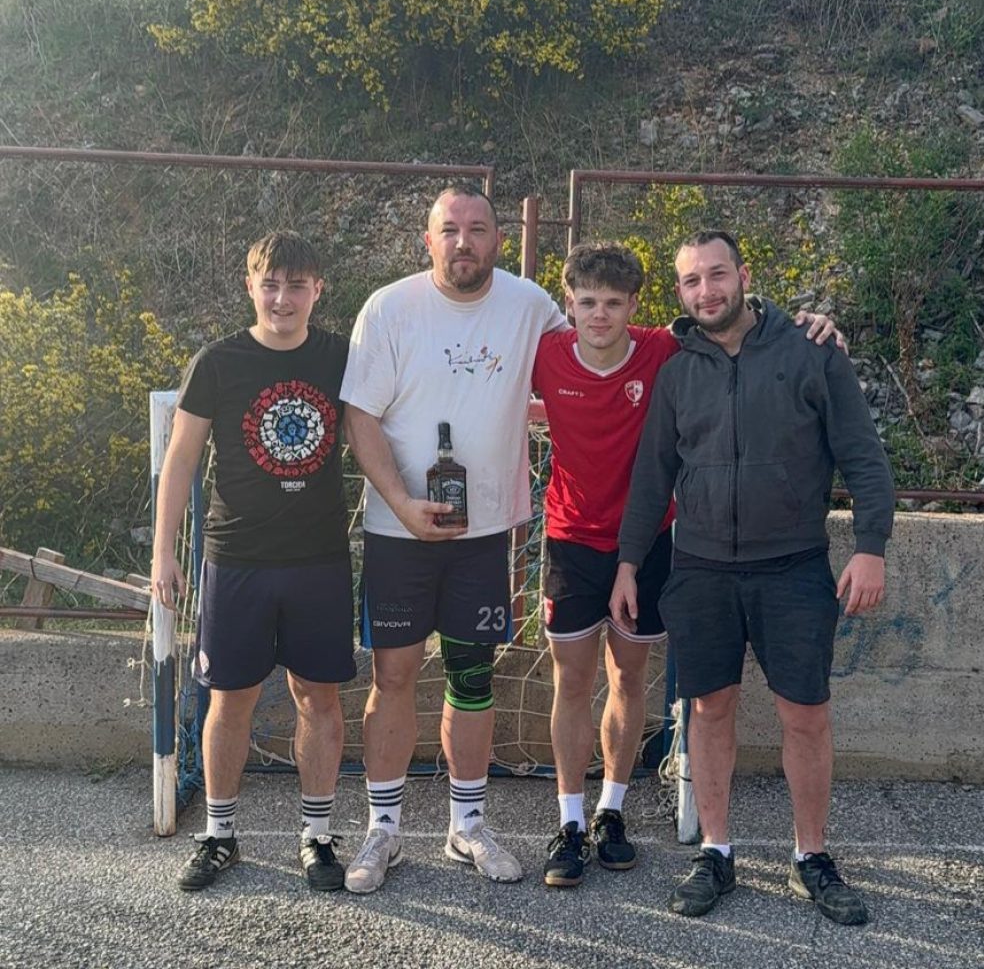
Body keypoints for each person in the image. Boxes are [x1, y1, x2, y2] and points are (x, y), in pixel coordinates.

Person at [532, 242, 842, 887]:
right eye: (587, 302)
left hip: (652, 542)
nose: (599, 314)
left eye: (612, 303)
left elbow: (737, 327)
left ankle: (612, 812)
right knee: (572, 681)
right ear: (569, 304)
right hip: (570, 538)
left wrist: (812, 325)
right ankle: (570, 821)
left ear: (635, 306)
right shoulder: (544, 354)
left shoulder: (664, 349)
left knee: (629, 678)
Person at [611, 230, 895, 925]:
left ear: (743, 275)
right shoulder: (677, 371)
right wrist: (627, 562)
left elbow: (862, 454)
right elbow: (652, 477)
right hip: (701, 568)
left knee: (806, 714)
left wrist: (871, 546)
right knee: (708, 710)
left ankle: (811, 856)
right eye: (691, 281)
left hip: (793, 567)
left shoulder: (811, 351)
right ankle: (716, 852)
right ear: (680, 292)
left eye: (717, 275)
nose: (706, 291)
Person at [339, 184, 566, 893]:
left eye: (477, 229)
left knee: (472, 678)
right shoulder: (389, 308)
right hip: (399, 532)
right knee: (393, 677)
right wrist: (403, 504)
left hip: (483, 533)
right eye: (449, 229)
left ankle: (467, 825)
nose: (463, 241)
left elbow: (601, 346)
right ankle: (383, 829)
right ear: (427, 240)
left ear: (499, 239)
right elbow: (358, 417)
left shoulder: (530, 305)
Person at [152, 231, 355, 893]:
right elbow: (180, 459)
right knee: (230, 698)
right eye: (270, 284)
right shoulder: (218, 362)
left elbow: (376, 438)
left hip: (319, 558)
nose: (282, 298)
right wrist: (163, 551)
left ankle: (317, 836)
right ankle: (219, 835)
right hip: (236, 557)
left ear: (317, 290)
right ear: (250, 287)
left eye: (296, 285)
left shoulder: (340, 357)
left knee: (318, 697)